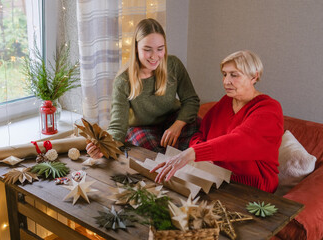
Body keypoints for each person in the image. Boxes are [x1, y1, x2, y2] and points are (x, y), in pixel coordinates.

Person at [151, 50, 284, 193]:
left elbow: (240, 140)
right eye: (225, 74)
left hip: (253, 187)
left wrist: (191, 153)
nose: (226, 81)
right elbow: (200, 134)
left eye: (234, 75)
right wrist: (205, 157)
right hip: (215, 176)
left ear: (254, 76)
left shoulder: (269, 109)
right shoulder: (226, 102)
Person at [86, 18, 200, 158]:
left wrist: (177, 126)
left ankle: (182, 160)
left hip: (171, 119)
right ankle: (171, 161)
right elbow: (117, 127)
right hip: (142, 128)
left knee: (198, 126)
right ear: (136, 48)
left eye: (160, 49)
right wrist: (104, 148)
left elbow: (191, 100)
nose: (154, 56)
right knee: (151, 151)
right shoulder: (123, 81)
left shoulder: (174, 65)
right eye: (147, 49)